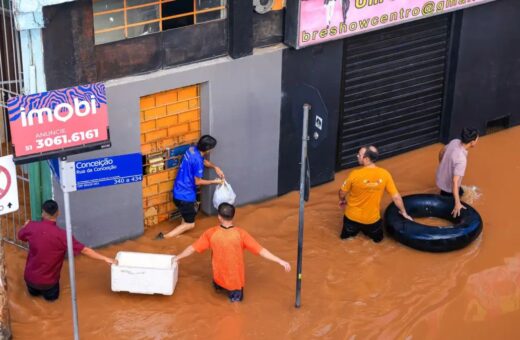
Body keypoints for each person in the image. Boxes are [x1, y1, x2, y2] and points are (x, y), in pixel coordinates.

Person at [175, 203, 291, 302]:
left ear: (219, 217)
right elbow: (261, 250)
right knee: (235, 311)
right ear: (233, 216)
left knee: (216, 297)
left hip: (218, 278)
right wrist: (279, 260)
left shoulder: (210, 233)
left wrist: (177, 257)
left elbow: (192, 249)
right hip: (235, 283)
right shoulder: (241, 234)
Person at [17, 200, 116, 302]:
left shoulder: (31, 226)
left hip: (30, 280)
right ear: (58, 213)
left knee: (33, 300)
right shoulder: (63, 236)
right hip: (49, 284)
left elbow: (20, 236)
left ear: (43, 213)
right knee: (51, 304)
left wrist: (25, 226)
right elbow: (85, 250)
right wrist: (105, 258)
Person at [156, 135, 225, 240]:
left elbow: (202, 161)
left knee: (186, 218)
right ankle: (164, 237)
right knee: (190, 224)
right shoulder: (198, 161)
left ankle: (178, 234)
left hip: (177, 191)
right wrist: (214, 182)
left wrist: (215, 167)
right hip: (185, 197)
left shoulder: (192, 149)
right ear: (208, 149)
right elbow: (198, 182)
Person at [338, 145, 412, 242]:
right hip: (372, 221)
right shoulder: (385, 174)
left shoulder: (354, 174)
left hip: (351, 218)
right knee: (378, 242)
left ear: (367, 159)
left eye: (359, 155)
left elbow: (342, 192)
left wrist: (342, 200)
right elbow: (396, 197)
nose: (357, 156)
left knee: (345, 241)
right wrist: (404, 212)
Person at [436, 128, 479, 217]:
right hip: (448, 187)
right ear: (472, 142)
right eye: (477, 139)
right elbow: (455, 182)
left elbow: (441, 151)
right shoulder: (461, 159)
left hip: (440, 178)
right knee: (451, 206)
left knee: (460, 191)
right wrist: (457, 203)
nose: (477, 141)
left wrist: (442, 165)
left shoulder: (454, 142)